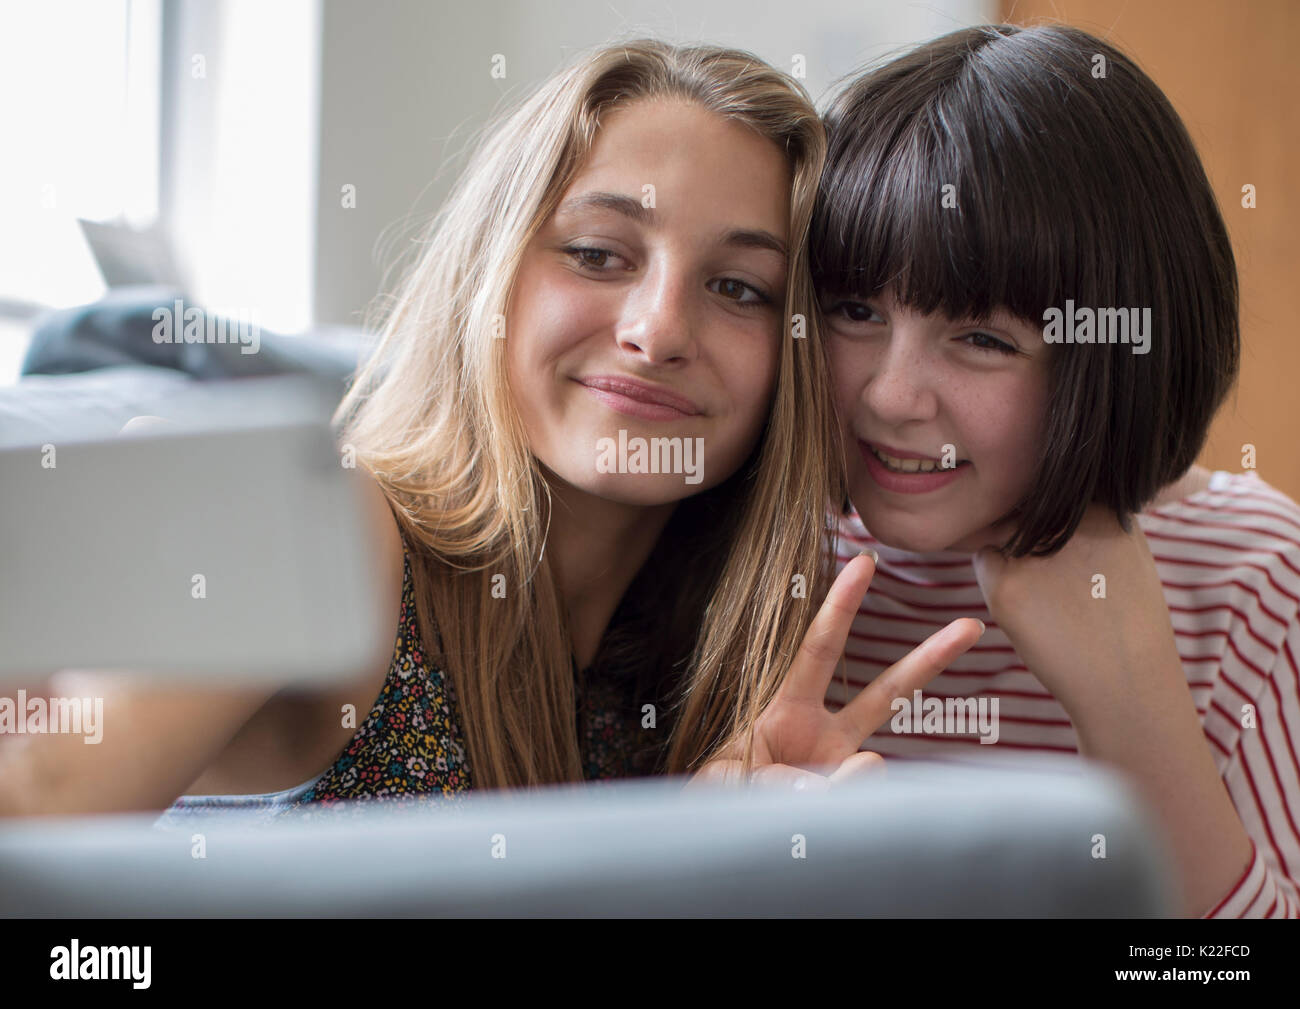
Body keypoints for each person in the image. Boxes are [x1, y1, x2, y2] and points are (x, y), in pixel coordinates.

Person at [0, 39, 982, 821]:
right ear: (489, 274)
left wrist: (704, 864)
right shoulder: (320, 526)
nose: (657, 329)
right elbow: (30, 815)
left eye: (738, 288)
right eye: (599, 253)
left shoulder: (732, 662)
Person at [808, 23, 1300, 918]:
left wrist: (1131, 699)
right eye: (853, 309)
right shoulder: (774, 561)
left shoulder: (1254, 579)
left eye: (984, 338)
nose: (890, 397)